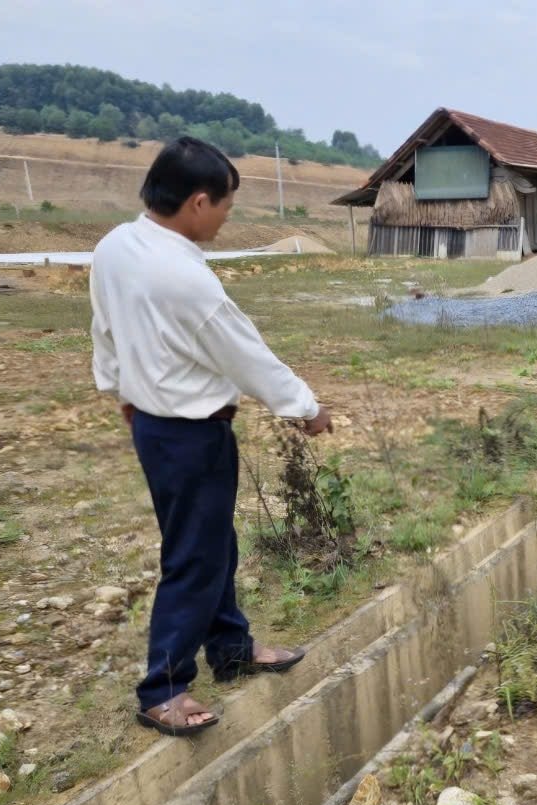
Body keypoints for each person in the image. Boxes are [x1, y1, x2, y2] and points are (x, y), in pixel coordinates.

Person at [89, 137, 332, 736]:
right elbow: (246, 354)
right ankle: (163, 688)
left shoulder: (117, 246)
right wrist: (305, 407)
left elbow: (106, 326)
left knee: (212, 542)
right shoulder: (185, 279)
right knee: (194, 556)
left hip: (155, 423)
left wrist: (120, 389)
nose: (226, 217)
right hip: (189, 433)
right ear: (198, 202)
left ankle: (230, 648)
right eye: (225, 206)